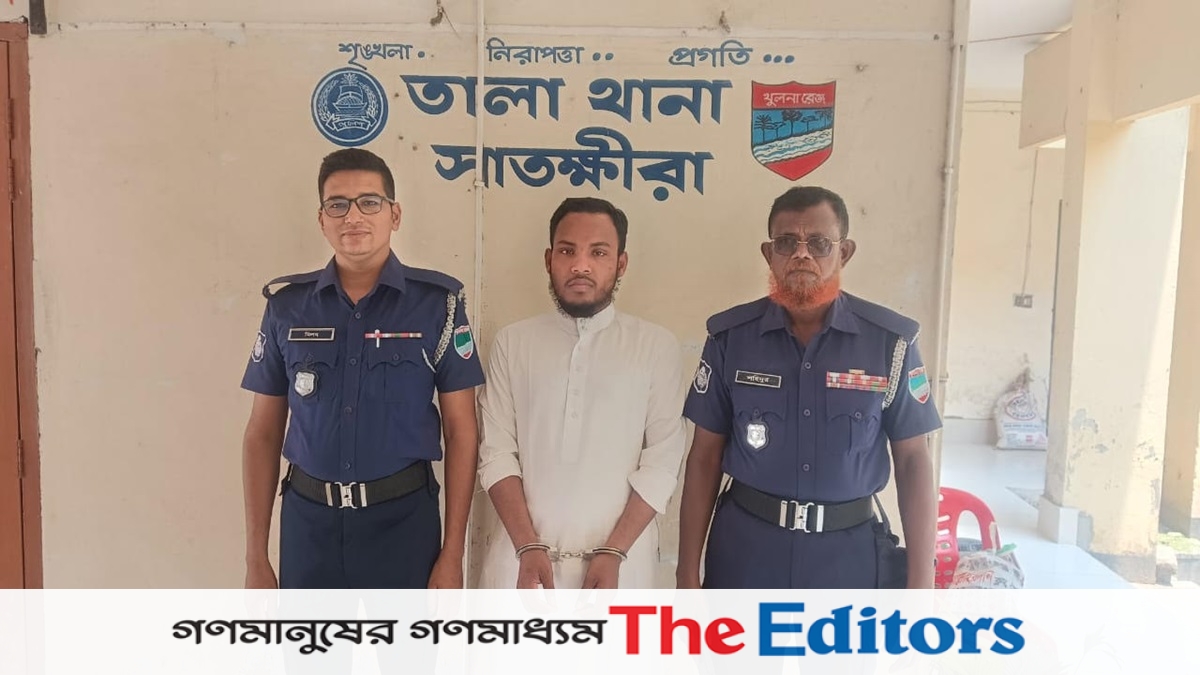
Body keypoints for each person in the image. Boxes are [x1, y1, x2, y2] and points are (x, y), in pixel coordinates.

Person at [239, 147, 484, 590]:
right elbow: (262, 433)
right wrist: (256, 556)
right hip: (308, 525)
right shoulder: (287, 308)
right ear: (322, 219)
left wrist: (452, 554)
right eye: (338, 205)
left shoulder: (438, 306)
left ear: (395, 214)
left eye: (369, 202)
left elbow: (462, 431)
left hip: (404, 526)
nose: (353, 216)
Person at [676, 185, 940, 590]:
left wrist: (922, 584)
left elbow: (913, 461)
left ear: (844, 252)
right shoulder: (730, 340)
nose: (802, 255)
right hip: (745, 555)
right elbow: (704, 458)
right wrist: (685, 573)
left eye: (818, 243)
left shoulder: (889, 343)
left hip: (848, 561)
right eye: (786, 243)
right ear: (769, 254)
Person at [476, 196, 687, 589]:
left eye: (598, 252)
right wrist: (527, 545)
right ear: (549, 259)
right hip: (520, 565)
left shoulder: (655, 347)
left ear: (621, 264)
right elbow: (496, 452)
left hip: (620, 569)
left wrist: (614, 551)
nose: (580, 265)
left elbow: (663, 461)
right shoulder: (513, 342)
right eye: (567, 251)